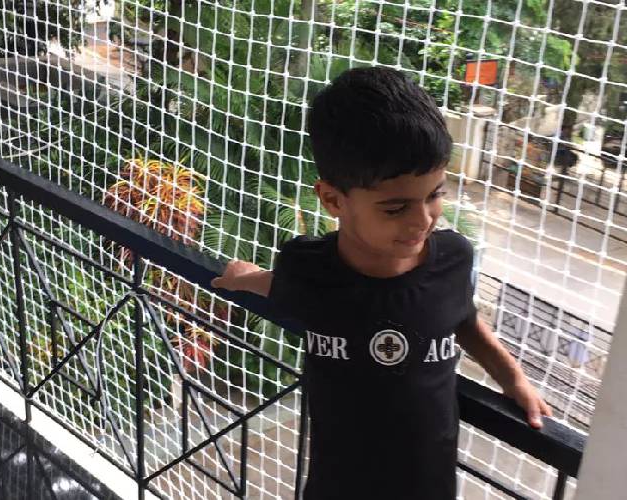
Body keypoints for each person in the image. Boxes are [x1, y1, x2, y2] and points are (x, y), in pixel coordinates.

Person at [211, 66, 551, 500]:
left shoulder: (453, 259)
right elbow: (275, 284)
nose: (423, 220)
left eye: (435, 194)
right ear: (333, 199)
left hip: (428, 487)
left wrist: (513, 379)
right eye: (395, 208)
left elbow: (464, 322)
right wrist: (242, 278)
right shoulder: (308, 268)